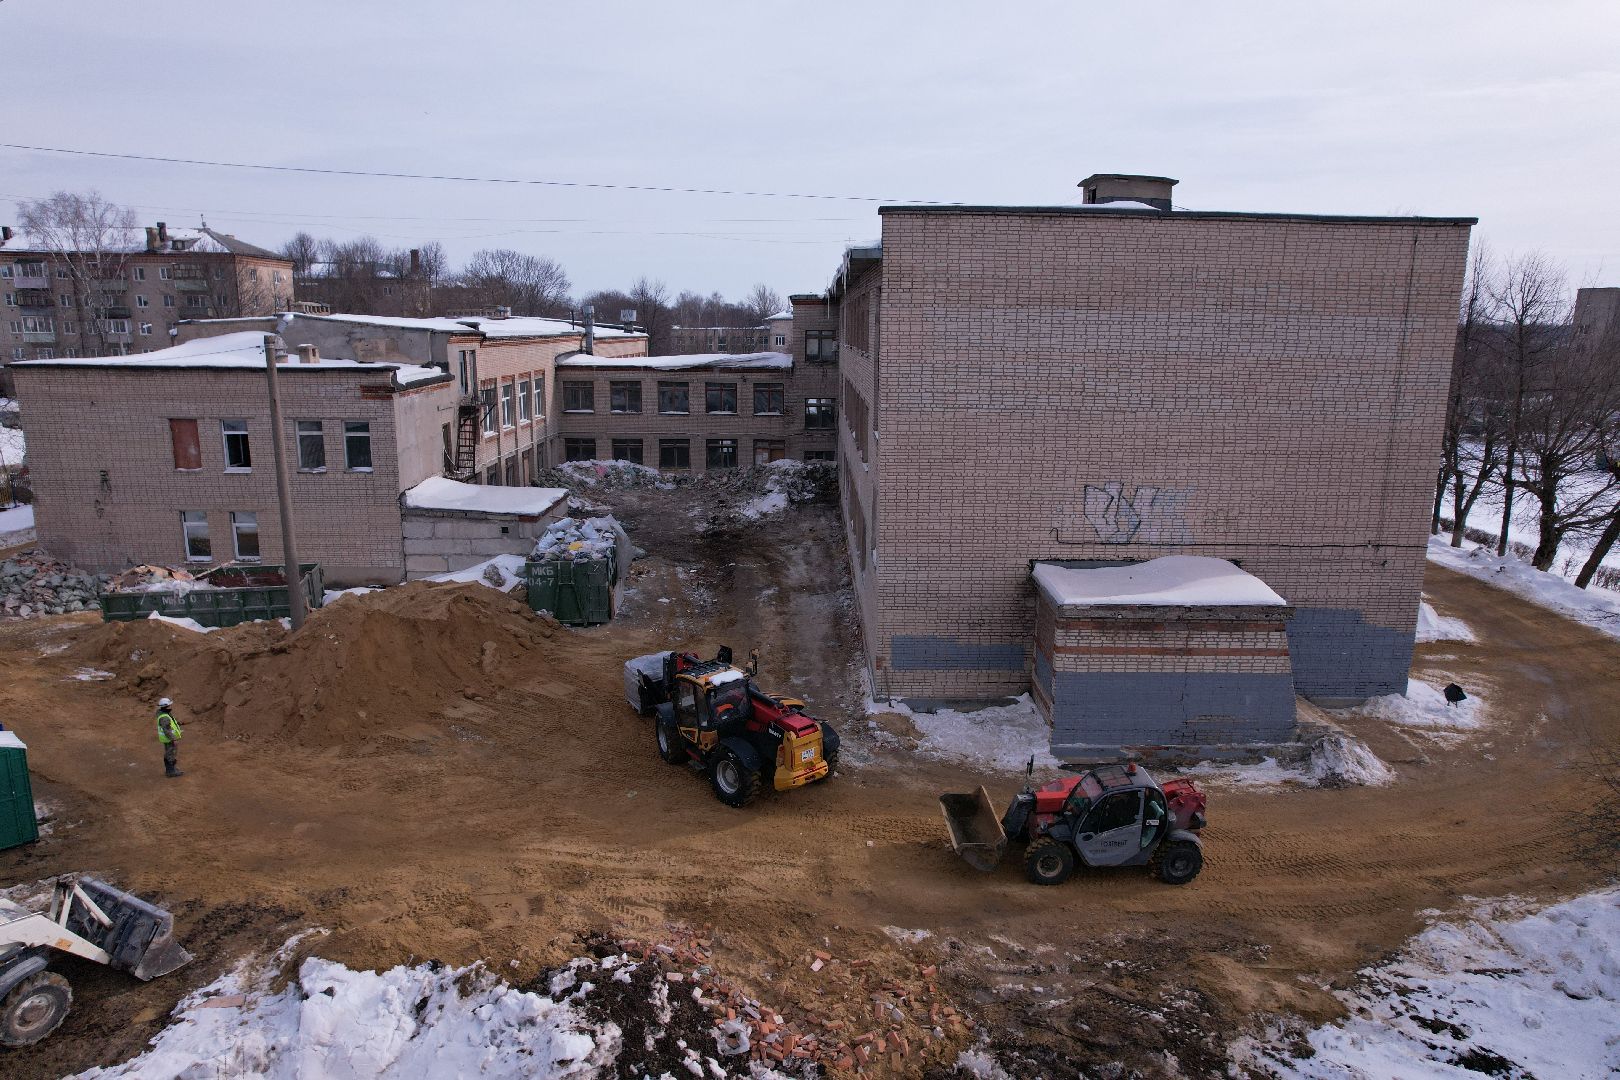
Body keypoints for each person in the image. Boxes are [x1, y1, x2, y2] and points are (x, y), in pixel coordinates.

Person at [156, 697, 183, 778]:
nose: (171, 706)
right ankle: (171, 772)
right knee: (170, 754)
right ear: (166, 706)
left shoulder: (163, 713)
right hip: (169, 739)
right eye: (170, 705)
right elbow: (166, 730)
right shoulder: (164, 717)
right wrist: (174, 739)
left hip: (168, 739)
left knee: (169, 753)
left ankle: (171, 769)